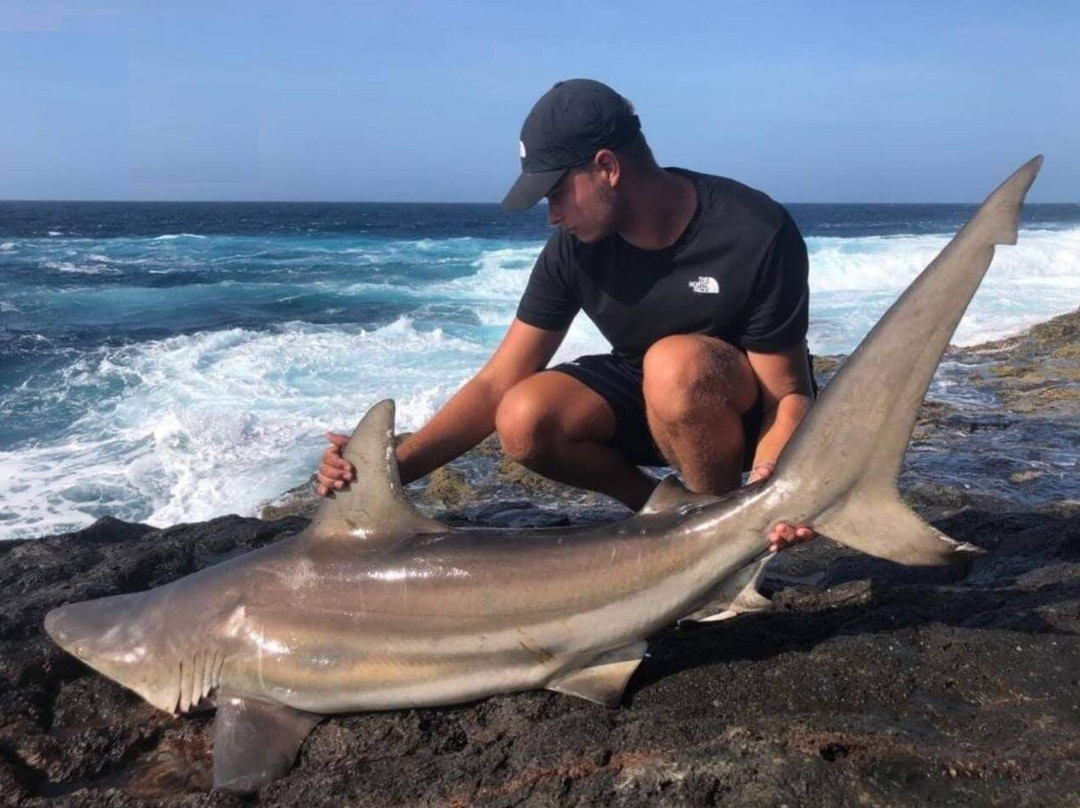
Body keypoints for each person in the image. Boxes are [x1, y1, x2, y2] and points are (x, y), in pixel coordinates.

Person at [316, 79, 815, 553]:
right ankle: (661, 504)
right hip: (649, 397)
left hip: (737, 412)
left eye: (555, 192)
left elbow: (788, 395)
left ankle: (719, 530)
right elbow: (495, 383)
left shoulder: (753, 229)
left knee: (674, 365)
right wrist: (385, 469)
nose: (552, 214)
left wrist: (777, 486)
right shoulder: (574, 250)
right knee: (522, 414)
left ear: (607, 168)